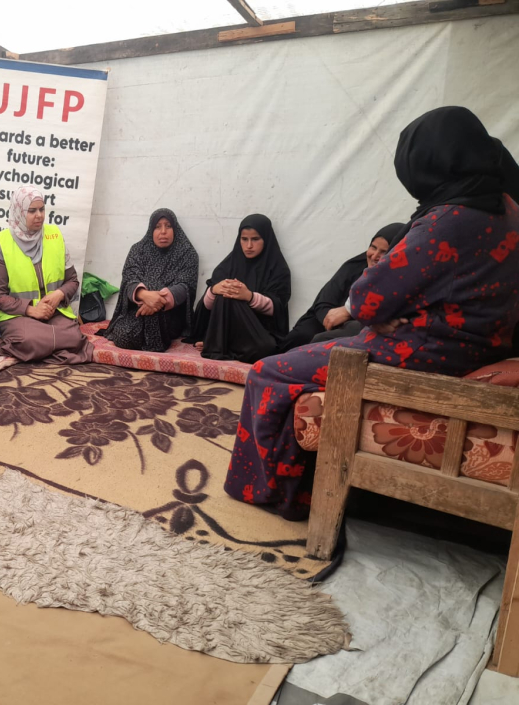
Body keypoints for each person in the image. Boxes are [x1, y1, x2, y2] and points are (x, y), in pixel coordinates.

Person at [224, 106, 519, 521]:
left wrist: (384, 310)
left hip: (423, 351)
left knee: (266, 372)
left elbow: (364, 299)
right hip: (476, 345)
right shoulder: (508, 209)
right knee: (316, 344)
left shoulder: (449, 220)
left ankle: (271, 491)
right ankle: (301, 483)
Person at [0, 186, 93, 364]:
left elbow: (72, 280)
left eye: (42, 209)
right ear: (19, 212)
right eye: (32, 211)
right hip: (18, 315)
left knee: (74, 339)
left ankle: (42, 348)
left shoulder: (55, 235)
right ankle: (48, 346)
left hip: (53, 312)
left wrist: (59, 294)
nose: (39, 215)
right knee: (29, 340)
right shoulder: (1, 242)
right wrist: (31, 310)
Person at [186, 214, 291, 363]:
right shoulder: (228, 266)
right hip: (227, 330)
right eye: (244, 239)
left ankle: (219, 345)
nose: (249, 246)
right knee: (226, 294)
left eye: (255, 239)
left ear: (266, 239)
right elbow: (206, 307)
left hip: (259, 332)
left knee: (266, 348)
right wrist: (214, 290)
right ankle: (218, 344)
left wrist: (249, 297)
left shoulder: (278, 269)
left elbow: (278, 308)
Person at [276, 225, 399, 353]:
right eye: (373, 247)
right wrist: (331, 320)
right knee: (301, 335)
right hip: (326, 320)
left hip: (358, 330)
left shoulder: (399, 281)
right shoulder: (353, 267)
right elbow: (324, 301)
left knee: (325, 341)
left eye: (384, 252)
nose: (374, 256)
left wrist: (345, 316)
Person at [102, 208, 199, 352]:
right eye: (157, 227)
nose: (163, 231)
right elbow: (129, 278)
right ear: (151, 230)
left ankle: (156, 343)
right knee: (124, 335)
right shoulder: (138, 250)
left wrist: (158, 301)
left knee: (153, 289)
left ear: (175, 229)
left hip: (169, 314)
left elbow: (186, 286)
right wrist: (145, 295)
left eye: (168, 226)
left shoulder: (187, 253)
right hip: (138, 309)